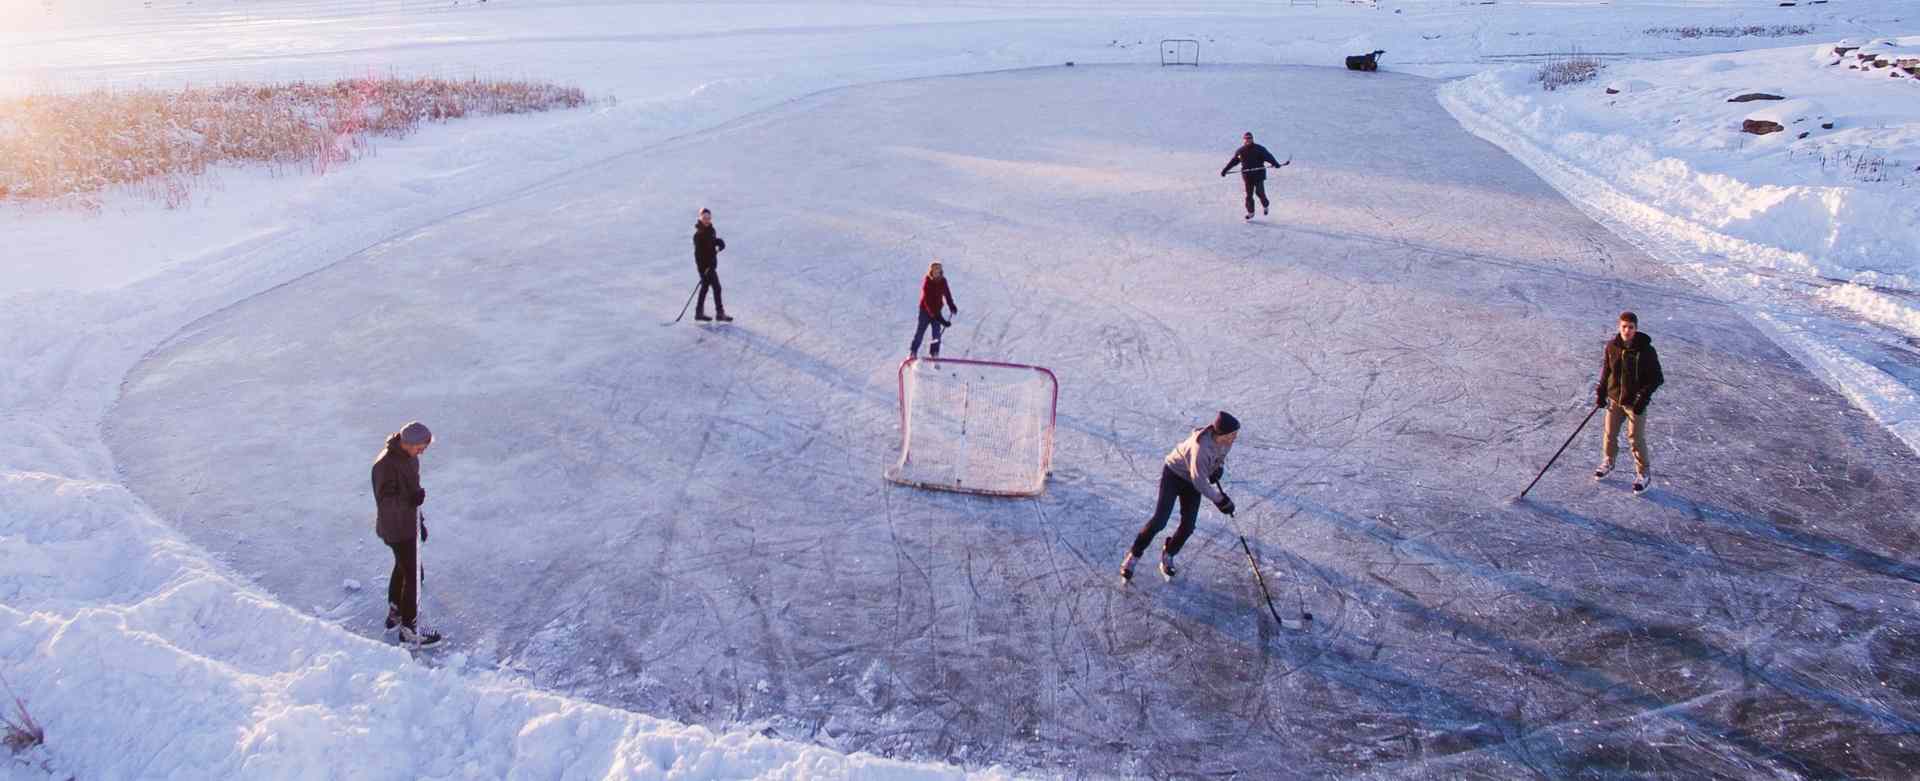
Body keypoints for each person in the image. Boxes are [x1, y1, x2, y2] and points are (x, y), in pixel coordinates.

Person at [1122, 411, 1239, 582]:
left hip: (1192, 479)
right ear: (1221, 433)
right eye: (1232, 434)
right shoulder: (1201, 448)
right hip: (1174, 474)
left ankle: (1168, 553)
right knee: (1160, 520)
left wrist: (1215, 469)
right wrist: (1220, 500)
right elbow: (1199, 481)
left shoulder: (1226, 442)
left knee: (1188, 526)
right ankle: (1133, 555)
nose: (1235, 437)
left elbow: (1218, 459)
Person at [372, 421, 440, 646]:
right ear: (408, 443)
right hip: (396, 527)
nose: (423, 451)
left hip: (408, 524)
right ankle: (409, 630)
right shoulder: (385, 465)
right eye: (421, 446)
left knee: (402, 567)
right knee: (414, 575)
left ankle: (396, 611)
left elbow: (412, 493)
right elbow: (386, 501)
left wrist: (419, 521)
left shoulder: (410, 459)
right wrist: (410, 500)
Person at [1593, 311, 1664, 493]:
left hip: (1635, 403)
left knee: (1636, 438)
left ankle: (1643, 473)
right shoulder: (1612, 347)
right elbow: (1606, 371)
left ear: (1636, 329)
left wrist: (1643, 398)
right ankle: (1608, 461)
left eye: (1631, 327)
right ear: (1619, 327)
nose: (1627, 330)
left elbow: (1657, 378)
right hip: (1615, 399)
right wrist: (1602, 392)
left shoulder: (1646, 351)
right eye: (1624, 326)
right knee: (1609, 433)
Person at [1220, 131, 1284, 220]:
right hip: (1247, 176)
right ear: (1244, 140)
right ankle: (1251, 212)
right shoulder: (1240, 151)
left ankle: (1265, 205)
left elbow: (1268, 156)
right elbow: (1234, 161)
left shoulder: (1259, 149)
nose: (1248, 140)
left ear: (1252, 139)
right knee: (1249, 195)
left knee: (1259, 192)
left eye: (1249, 138)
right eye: (1246, 139)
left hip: (1259, 174)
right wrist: (1225, 170)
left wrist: (1275, 163)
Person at [909, 261, 958, 359]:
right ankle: (913, 352)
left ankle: (934, 353)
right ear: (931, 271)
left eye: (938, 270)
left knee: (936, 334)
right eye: (935, 270)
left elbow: (947, 294)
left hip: (937, 311)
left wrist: (951, 306)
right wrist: (939, 318)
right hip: (925, 311)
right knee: (920, 332)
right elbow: (927, 301)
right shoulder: (927, 282)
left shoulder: (943, 281)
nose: (937, 272)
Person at [692, 207, 731, 323]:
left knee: (704, 288)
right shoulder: (698, 235)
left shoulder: (711, 230)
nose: (707, 220)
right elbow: (698, 255)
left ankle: (699, 313)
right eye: (704, 218)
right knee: (717, 288)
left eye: (708, 218)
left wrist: (720, 242)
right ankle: (720, 313)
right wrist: (702, 270)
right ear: (700, 218)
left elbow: (712, 241)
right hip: (706, 268)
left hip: (711, 265)